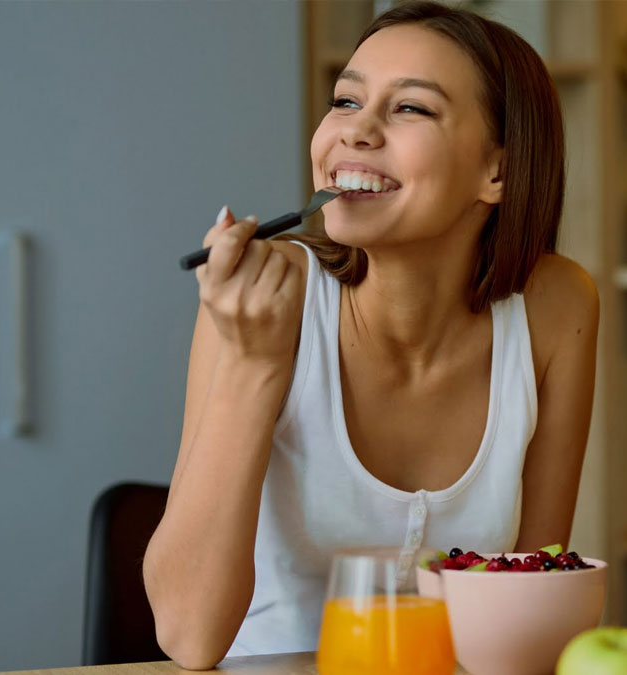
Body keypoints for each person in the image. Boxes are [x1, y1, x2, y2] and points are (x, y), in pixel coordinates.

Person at [143, 1, 598, 669]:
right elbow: (188, 635)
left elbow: (529, 602)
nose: (354, 131)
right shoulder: (262, 302)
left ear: (497, 171)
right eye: (345, 100)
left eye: (410, 107)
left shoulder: (556, 307)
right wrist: (252, 362)